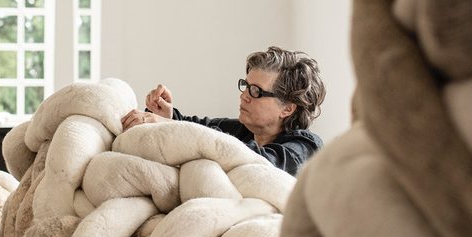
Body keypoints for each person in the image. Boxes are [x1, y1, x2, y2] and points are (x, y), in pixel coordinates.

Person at [121, 46, 326, 176]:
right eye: (245, 86)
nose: (244, 96)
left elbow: (259, 163)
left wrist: (169, 125)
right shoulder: (243, 129)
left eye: (255, 91)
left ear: (287, 108)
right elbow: (199, 127)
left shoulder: (305, 147)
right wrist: (168, 115)